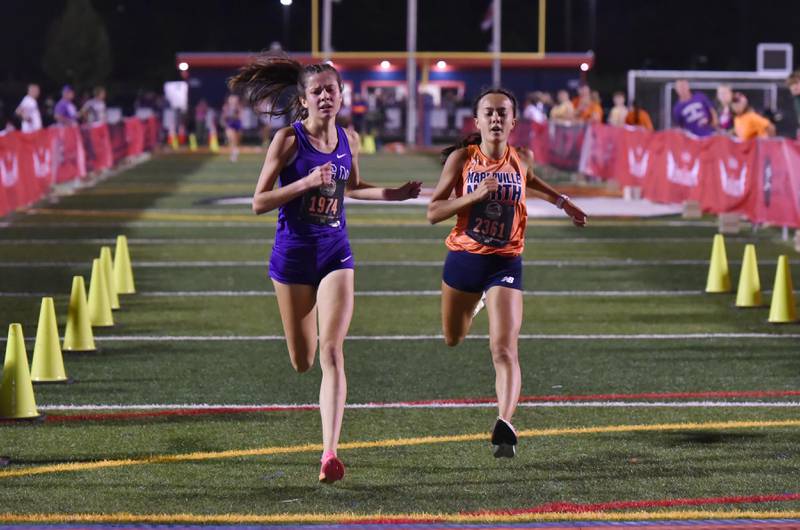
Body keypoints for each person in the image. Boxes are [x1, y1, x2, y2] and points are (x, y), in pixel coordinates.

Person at [228, 56, 421, 483]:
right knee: (303, 360)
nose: (325, 96)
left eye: (331, 90)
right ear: (303, 99)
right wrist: (304, 183)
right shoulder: (288, 141)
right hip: (293, 258)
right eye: (316, 91)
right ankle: (325, 436)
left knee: (332, 350)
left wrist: (396, 194)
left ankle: (329, 453)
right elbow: (258, 202)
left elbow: (353, 188)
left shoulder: (349, 138)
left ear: (341, 95)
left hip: (336, 254)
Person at [426, 87, 587, 458]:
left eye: (503, 113)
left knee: (504, 349)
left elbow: (531, 180)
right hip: (465, 259)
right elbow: (433, 212)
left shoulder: (522, 158)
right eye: (489, 113)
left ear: (514, 121)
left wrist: (563, 203)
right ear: (477, 121)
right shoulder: (462, 159)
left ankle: (506, 424)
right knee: (453, 337)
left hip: (506, 261)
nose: (496, 118)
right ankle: (475, 303)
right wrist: (473, 196)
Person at [220, 94, 243, 162]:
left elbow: (240, 117)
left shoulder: (238, 107)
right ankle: (233, 154)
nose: (233, 101)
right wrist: (224, 120)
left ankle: (234, 154)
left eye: (234, 100)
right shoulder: (226, 107)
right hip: (230, 124)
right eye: (231, 100)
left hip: (237, 124)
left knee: (236, 141)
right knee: (231, 138)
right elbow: (224, 116)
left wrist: (234, 115)